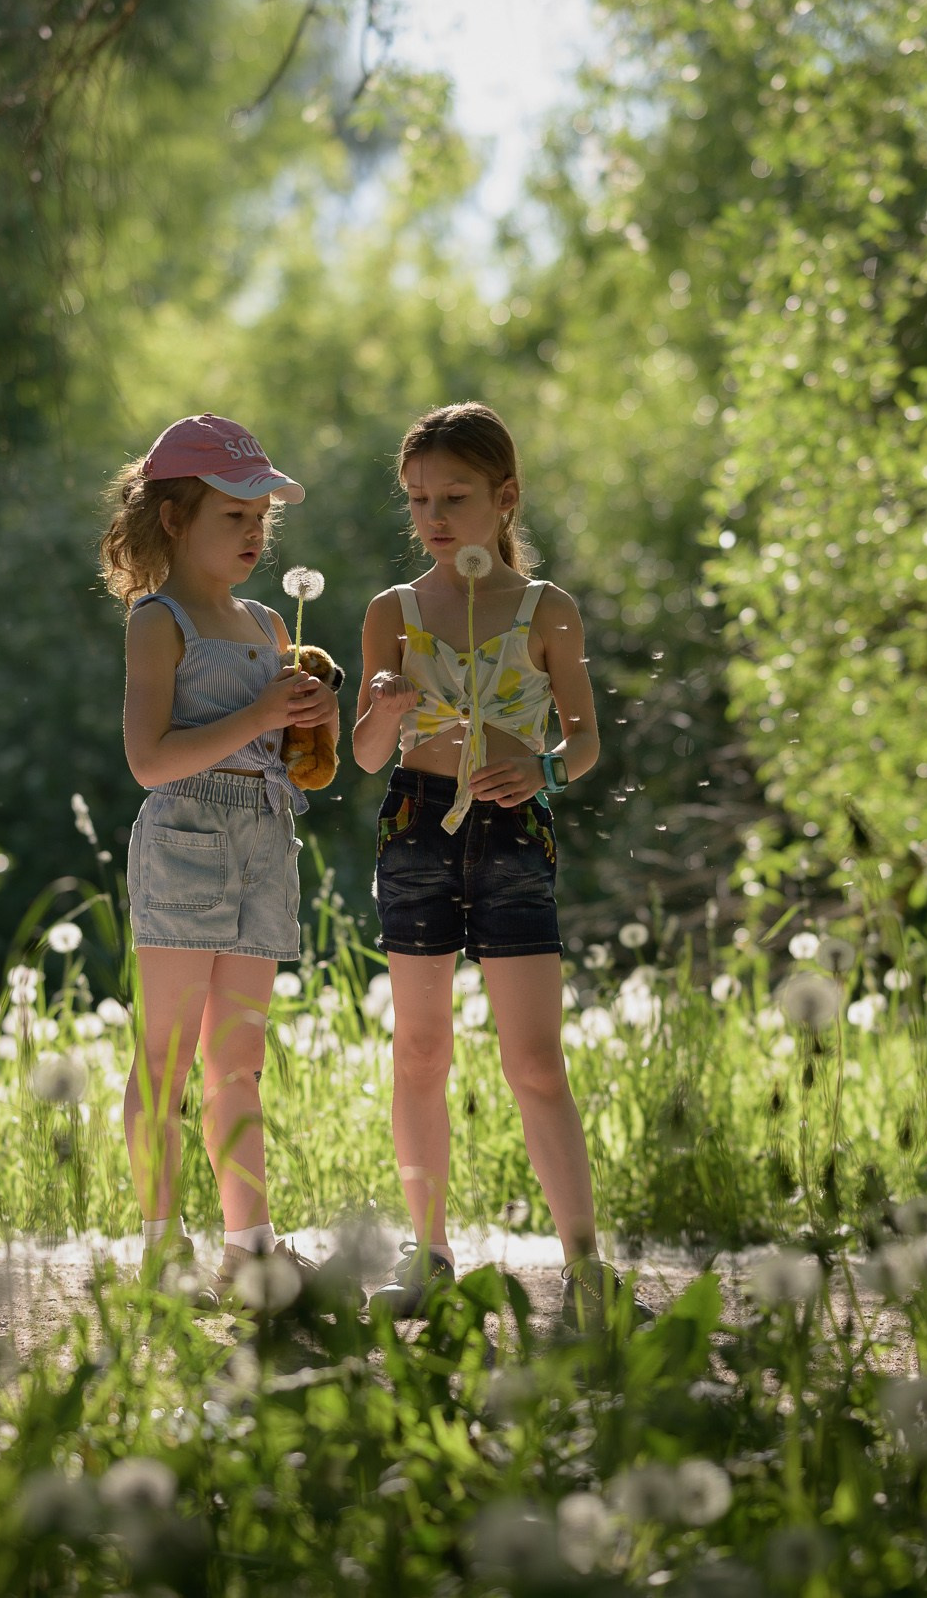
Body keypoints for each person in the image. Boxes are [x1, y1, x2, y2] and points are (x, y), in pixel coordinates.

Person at [350, 401, 649, 1329]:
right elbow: (362, 756)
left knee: (534, 1058)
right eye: (419, 499)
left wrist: (545, 764)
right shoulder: (390, 613)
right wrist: (390, 710)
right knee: (419, 1050)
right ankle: (430, 1253)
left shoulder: (546, 609)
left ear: (504, 497)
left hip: (516, 833)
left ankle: (586, 1266)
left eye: (456, 496)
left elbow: (588, 737)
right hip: (416, 825)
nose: (435, 516)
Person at [102, 413, 337, 1302]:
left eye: (260, 519)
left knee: (237, 1062)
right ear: (174, 517)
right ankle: (163, 1249)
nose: (253, 533)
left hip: (263, 845)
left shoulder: (274, 620)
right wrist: (260, 717)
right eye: (233, 515)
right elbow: (149, 760)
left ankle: (250, 1245)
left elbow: (283, 753)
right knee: (164, 1059)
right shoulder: (157, 622)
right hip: (185, 844)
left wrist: (310, 724)